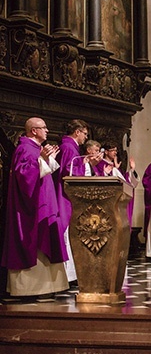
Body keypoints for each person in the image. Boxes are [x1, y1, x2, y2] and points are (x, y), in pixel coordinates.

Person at [2, 117, 69, 297]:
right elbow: (24, 176)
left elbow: (41, 170)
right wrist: (41, 160)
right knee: (35, 242)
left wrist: (48, 159)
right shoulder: (24, 148)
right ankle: (32, 289)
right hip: (32, 207)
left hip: (43, 202)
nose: (47, 131)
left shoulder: (34, 148)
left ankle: (47, 287)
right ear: (33, 131)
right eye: (43, 128)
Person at [53, 119, 94, 285]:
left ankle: (72, 275)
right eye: (84, 134)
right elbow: (69, 175)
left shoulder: (70, 147)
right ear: (77, 132)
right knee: (68, 235)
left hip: (66, 197)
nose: (85, 138)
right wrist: (85, 165)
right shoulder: (69, 148)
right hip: (66, 198)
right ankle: (69, 277)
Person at [96, 141, 139, 225]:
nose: (115, 152)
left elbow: (125, 181)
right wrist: (105, 173)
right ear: (106, 151)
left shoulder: (115, 166)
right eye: (113, 150)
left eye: (116, 150)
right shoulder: (100, 164)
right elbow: (98, 178)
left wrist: (132, 170)